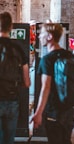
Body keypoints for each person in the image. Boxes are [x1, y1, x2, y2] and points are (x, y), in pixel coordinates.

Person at [31, 23, 74, 144]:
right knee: (66, 139)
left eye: (42, 34)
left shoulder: (47, 60)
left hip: (54, 109)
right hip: (69, 108)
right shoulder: (69, 55)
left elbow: (46, 87)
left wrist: (38, 113)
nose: (39, 36)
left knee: (55, 139)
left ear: (50, 36)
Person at [0, 11, 30, 144]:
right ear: (11, 27)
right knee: (9, 138)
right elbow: (27, 82)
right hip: (12, 99)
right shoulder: (18, 48)